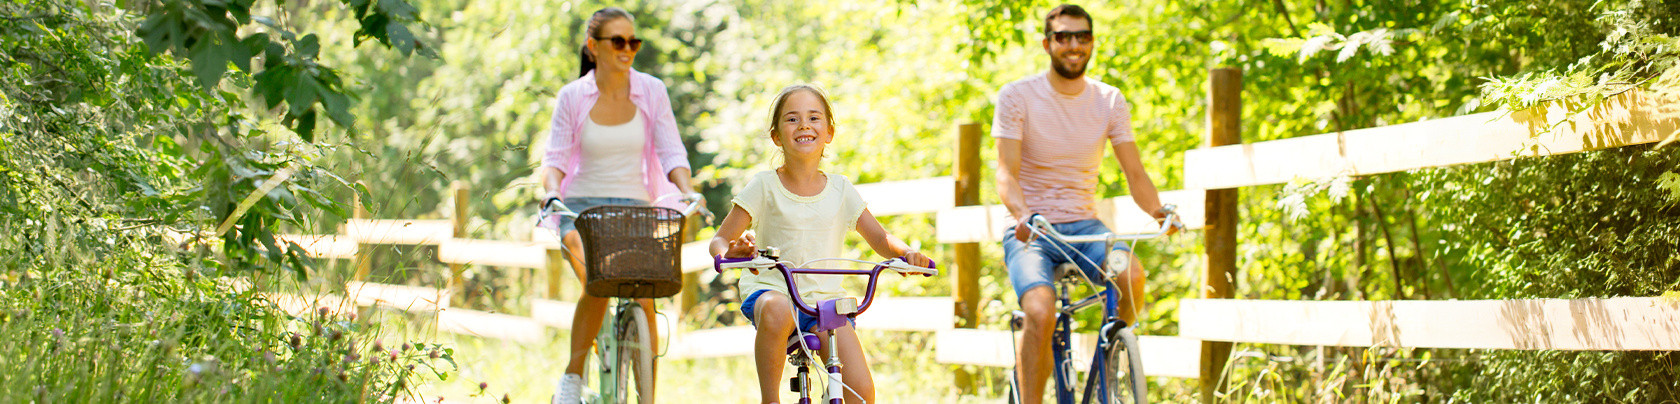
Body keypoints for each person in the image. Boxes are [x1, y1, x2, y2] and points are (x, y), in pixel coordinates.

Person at [992, 5, 1172, 403]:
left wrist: (1160, 211)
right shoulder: (1017, 96)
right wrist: (1022, 215)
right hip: (1033, 230)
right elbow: (1006, 173)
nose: (1074, 45)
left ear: (1091, 42)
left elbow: (1135, 174)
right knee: (1040, 310)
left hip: (1085, 227)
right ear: (1047, 44)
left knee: (1132, 275)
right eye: (1063, 36)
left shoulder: (1108, 100)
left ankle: (1112, 356)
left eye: (1082, 36)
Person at [709, 84, 933, 404]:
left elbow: (881, 239)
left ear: (828, 132)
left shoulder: (841, 189)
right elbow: (719, 239)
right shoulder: (764, 185)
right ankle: (769, 400)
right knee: (776, 308)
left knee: (861, 393)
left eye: (814, 118)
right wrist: (728, 253)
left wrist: (906, 254)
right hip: (772, 292)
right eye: (792, 119)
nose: (804, 125)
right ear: (776, 136)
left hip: (825, 304)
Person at [542, 7, 697, 404]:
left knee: (643, 295)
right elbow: (555, 159)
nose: (627, 49)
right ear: (593, 48)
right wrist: (552, 193)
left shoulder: (652, 90)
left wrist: (686, 190)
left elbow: (670, 149)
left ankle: (648, 396)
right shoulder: (573, 96)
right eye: (618, 41)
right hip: (581, 209)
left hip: (633, 210)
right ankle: (572, 379)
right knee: (599, 280)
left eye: (633, 41)